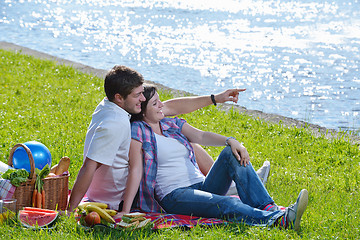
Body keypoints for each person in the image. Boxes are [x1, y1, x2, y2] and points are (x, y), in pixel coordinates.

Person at [67, 65, 245, 212]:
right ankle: (226, 186)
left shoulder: (110, 105)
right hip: (117, 200)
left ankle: (221, 183)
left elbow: (171, 107)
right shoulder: (115, 124)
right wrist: (70, 210)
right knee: (180, 139)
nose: (142, 97)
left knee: (179, 136)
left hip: (115, 191)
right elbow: (89, 167)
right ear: (119, 98)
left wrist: (216, 98)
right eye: (138, 95)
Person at [129, 85, 308, 231]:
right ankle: (279, 220)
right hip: (175, 195)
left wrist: (231, 141)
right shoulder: (138, 130)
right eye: (155, 104)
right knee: (226, 203)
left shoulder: (170, 123)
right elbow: (135, 169)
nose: (162, 105)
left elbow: (201, 136)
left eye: (160, 100)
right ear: (142, 112)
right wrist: (124, 209)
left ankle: (269, 208)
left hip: (201, 185)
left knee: (230, 152)